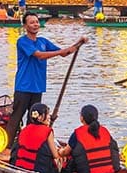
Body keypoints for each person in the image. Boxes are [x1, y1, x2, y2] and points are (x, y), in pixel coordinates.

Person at [6, 13, 86, 147]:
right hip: (23, 86)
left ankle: (29, 145)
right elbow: (39, 55)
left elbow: (64, 53)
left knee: (35, 119)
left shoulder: (43, 41)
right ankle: (8, 146)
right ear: (25, 26)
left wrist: (78, 43)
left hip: (38, 87)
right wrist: (60, 52)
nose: (35, 25)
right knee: (16, 117)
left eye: (37, 22)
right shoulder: (22, 41)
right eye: (32, 22)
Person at [63, 104, 119, 173]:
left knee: (69, 159)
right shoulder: (104, 130)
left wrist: (59, 152)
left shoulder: (78, 133)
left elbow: (65, 152)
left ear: (82, 118)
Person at [10, 103, 61, 173]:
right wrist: (61, 152)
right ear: (40, 117)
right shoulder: (47, 131)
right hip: (39, 170)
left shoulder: (24, 129)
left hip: (20, 167)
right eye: (47, 114)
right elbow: (55, 155)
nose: (49, 117)